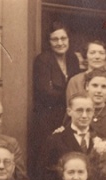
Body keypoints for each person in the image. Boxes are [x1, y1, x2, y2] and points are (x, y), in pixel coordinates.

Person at [31, 22, 81, 165]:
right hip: (47, 118)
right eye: (55, 39)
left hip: (68, 116)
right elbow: (45, 92)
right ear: (49, 42)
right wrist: (70, 95)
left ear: (68, 39)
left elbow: (76, 83)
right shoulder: (43, 60)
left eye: (63, 38)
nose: (60, 43)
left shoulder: (72, 59)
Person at [37, 92, 96, 180]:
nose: (84, 115)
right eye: (79, 110)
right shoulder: (55, 140)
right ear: (69, 111)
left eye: (88, 110)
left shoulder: (102, 138)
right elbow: (43, 177)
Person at [66, 40, 106, 108]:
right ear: (86, 56)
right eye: (92, 53)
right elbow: (71, 108)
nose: (97, 57)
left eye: (101, 53)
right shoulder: (75, 81)